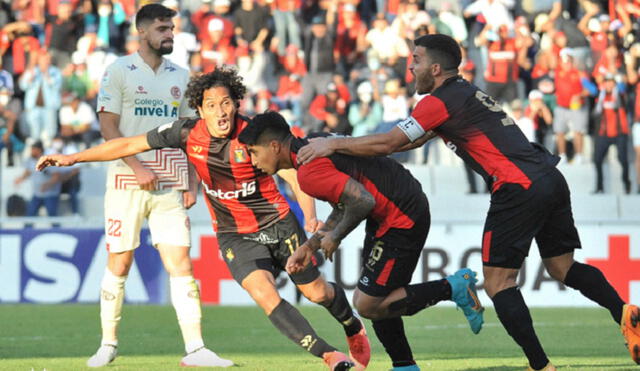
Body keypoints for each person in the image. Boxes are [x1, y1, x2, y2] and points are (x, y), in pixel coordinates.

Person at [296, 34, 640, 370]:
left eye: (416, 60)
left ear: (435, 68)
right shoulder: (466, 95)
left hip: (517, 187)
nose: (409, 67)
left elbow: (389, 142)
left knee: (497, 283)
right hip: (549, 177)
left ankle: (541, 366)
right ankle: (623, 312)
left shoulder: (439, 101)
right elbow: (410, 143)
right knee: (562, 268)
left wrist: (333, 144)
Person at [37, 66, 371, 371]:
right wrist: (73, 158)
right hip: (234, 234)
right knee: (264, 294)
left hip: (278, 222)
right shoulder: (186, 133)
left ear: (236, 103)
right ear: (199, 110)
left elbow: (293, 176)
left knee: (317, 294)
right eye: (211, 105)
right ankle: (330, 356)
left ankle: (351, 324)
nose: (220, 112)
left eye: (225, 103)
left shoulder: (253, 133)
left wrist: (310, 216)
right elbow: (128, 144)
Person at [238, 110, 484, 371]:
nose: (252, 161)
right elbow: (348, 202)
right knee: (378, 295)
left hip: (401, 215)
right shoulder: (314, 143)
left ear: (274, 146)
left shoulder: (308, 174)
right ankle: (404, 365)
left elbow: (362, 200)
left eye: (253, 152)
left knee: (368, 304)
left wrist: (336, 236)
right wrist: (310, 246)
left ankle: (455, 287)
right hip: (391, 207)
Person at [88, 4, 232, 368]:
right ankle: (108, 344)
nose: (169, 34)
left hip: (171, 180)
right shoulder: (118, 71)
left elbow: (194, 134)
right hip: (125, 179)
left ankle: (197, 349)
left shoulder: (181, 76)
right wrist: (135, 166)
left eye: (171, 29)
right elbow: (109, 128)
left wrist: (194, 178)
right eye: (163, 29)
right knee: (119, 262)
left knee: (181, 262)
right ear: (142, 32)